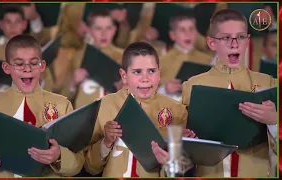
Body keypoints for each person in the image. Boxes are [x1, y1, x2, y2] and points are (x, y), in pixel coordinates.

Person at [0, 35, 84, 177]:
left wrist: (58, 156)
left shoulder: (62, 105)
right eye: (19, 63)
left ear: (42, 66)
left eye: (34, 63)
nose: (27, 69)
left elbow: (78, 163)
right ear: (6, 67)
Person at [181, 9, 277, 177]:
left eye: (240, 37)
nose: (234, 44)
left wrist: (274, 122)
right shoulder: (194, 85)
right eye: (226, 38)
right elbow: (184, 154)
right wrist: (186, 139)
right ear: (212, 43)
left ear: (247, 41)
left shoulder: (268, 83)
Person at [84, 42, 196, 177]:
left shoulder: (177, 111)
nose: (145, 79)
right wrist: (106, 142)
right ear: (124, 75)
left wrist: (173, 157)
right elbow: (90, 167)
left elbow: (183, 170)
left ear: (159, 73)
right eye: (137, 72)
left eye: (151, 71)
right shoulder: (104, 105)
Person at [56, 8, 124, 109]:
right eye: (98, 28)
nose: (104, 34)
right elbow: (63, 97)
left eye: (108, 28)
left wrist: (123, 91)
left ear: (114, 29)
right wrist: (73, 83)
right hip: (83, 118)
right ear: (89, 30)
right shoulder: (78, 57)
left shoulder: (124, 57)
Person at [158, 12, 213, 100]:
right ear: (173, 35)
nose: (188, 34)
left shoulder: (209, 60)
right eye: (182, 30)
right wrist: (164, 89)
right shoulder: (160, 62)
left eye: (191, 29)